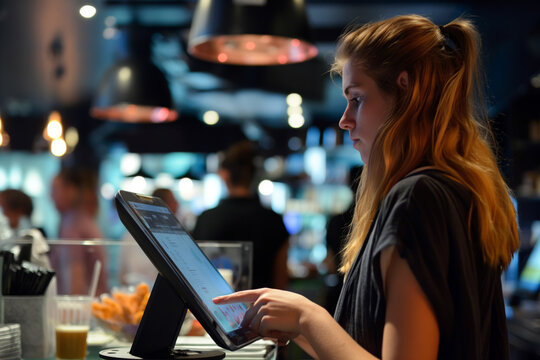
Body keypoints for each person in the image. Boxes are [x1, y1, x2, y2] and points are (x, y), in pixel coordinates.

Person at [213, 15, 519, 359]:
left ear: (407, 92)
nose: (345, 119)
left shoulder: (417, 196)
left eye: (356, 98)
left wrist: (306, 315)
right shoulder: (450, 191)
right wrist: (298, 324)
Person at [193, 140, 289, 290]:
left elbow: (197, 274)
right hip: (262, 309)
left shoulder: (206, 218)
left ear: (224, 174)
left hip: (214, 309)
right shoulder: (274, 220)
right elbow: (281, 280)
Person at [49, 168, 109, 295]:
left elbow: (74, 281)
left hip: (83, 310)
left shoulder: (73, 225)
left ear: (70, 190)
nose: (51, 196)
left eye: (55, 189)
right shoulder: (81, 220)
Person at [119, 188, 179, 286]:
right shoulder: (132, 234)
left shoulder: (174, 236)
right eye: (173, 201)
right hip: (137, 291)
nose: (177, 205)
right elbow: (122, 275)